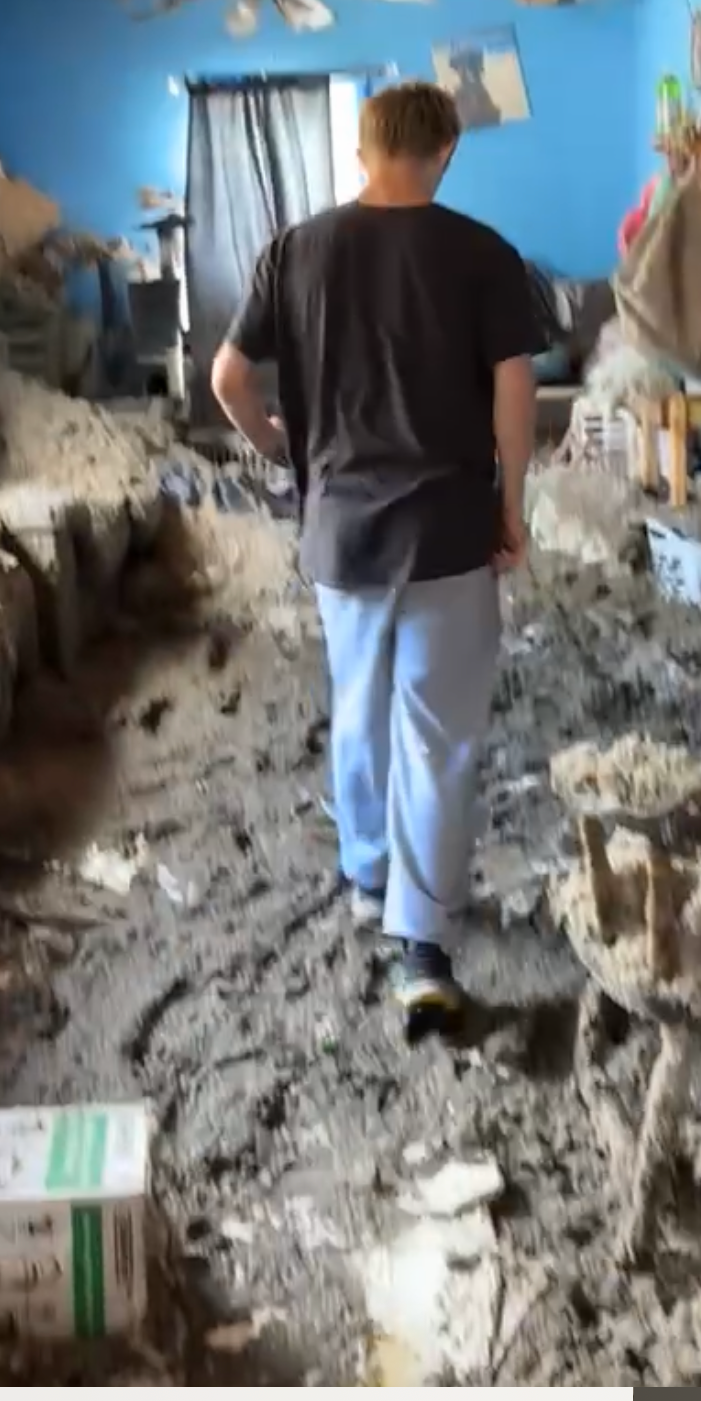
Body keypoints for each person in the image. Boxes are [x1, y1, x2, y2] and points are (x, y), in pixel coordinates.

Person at [211, 80, 540, 1037]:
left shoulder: (295, 251)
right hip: (447, 532)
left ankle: (367, 874)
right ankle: (423, 945)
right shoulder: (484, 254)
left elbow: (229, 378)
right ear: (445, 152)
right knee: (438, 736)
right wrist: (511, 507)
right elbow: (515, 392)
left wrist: (279, 448)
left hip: (343, 532)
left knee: (359, 706)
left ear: (361, 152)